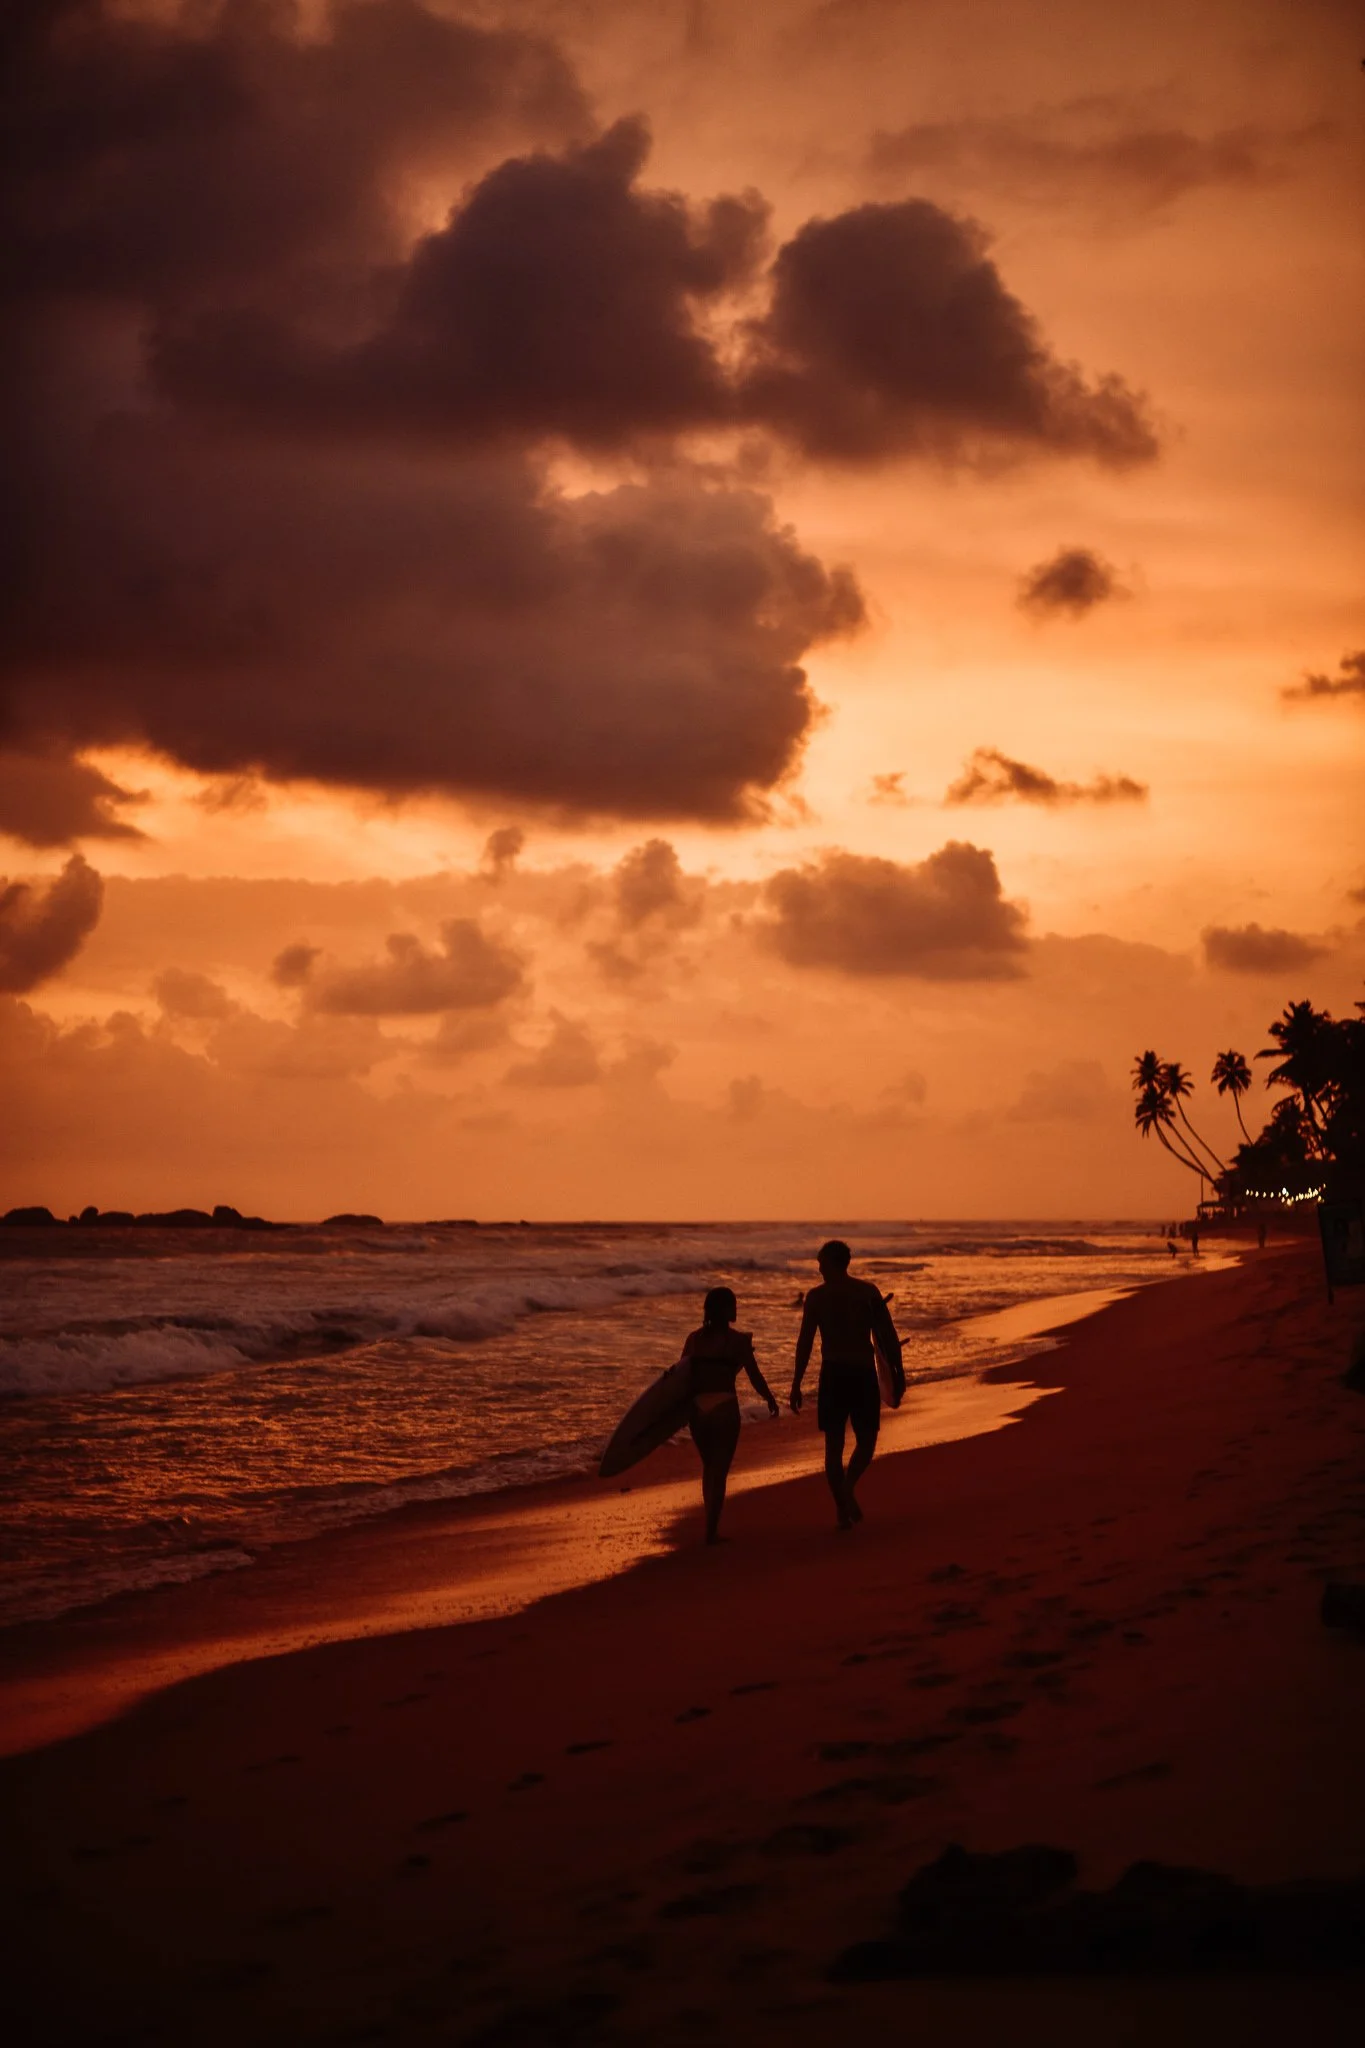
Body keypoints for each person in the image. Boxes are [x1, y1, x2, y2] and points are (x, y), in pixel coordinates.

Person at [790, 1240, 902, 1531]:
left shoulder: (820, 1297)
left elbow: (805, 1343)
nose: (819, 1268)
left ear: (833, 1263)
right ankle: (846, 1497)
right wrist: (898, 1372)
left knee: (843, 1444)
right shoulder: (866, 1292)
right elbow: (888, 1336)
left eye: (821, 1263)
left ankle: (845, 1495)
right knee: (860, 1442)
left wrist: (797, 1382)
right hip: (859, 1373)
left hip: (836, 1375)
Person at [680, 1286, 779, 1544]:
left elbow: (682, 1377)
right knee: (720, 1471)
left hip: (698, 1408)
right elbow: (754, 1375)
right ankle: (711, 1531)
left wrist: (677, 1413)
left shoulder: (694, 1339)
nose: (736, 1309)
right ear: (724, 1310)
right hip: (724, 1407)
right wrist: (769, 1398)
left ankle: (710, 1526)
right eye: (732, 1305)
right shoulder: (738, 1341)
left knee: (709, 1468)